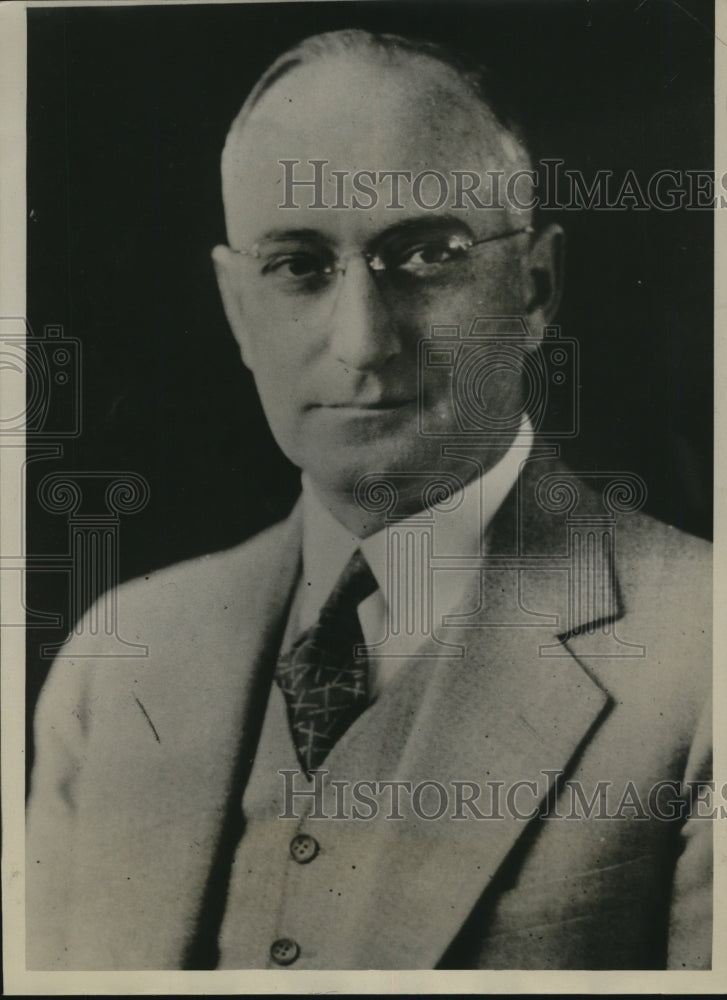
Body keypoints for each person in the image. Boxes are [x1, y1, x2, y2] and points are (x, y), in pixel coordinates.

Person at [26, 29, 711, 971]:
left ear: (536, 288)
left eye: (426, 254)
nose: (360, 342)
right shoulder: (118, 657)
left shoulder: (704, 651)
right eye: (299, 265)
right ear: (237, 309)